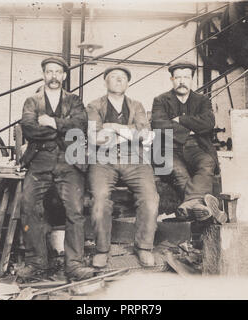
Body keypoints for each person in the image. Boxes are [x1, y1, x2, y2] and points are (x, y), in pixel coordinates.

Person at [18, 56, 95, 280]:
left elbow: (80, 125)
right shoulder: (32, 101)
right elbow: (29, 129)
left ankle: (74, 265)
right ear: (44, 74)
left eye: (57, 72)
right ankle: (36, 262)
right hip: (40, 159)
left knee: (75, 210)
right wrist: (63, 128)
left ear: (64, 76)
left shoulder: (74, 100)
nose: (53, 76)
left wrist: (51, 122)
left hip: (69, 159)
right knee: (28, 205)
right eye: (49, 72)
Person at [86, 66, 159, 268]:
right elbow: (95, 137)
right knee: (100, 199)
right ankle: (102, 249)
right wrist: (131, 133)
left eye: (123, 78)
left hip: (135, 159)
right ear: (105, 82)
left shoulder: (137, 105)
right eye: (113, 77)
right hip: (103, 160)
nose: (118, 80)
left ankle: (143, 247)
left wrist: (114, 127)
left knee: (150, 198)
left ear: (128, 83)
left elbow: (146, 135)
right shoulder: (94, 106)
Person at [151, 60, 225, 223]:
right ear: (172, 80)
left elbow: (208, 123)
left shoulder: (202, 100)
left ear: (192, 79)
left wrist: (180, 120)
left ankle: (189, 206)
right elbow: (158, 124)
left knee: (207, 162)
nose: (182, 81)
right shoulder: (161, 100)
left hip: (196, 147)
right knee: (179, 172)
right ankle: (198, 205)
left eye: (186, 77)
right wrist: (191, 128)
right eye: (178, 78)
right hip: (168, 148)